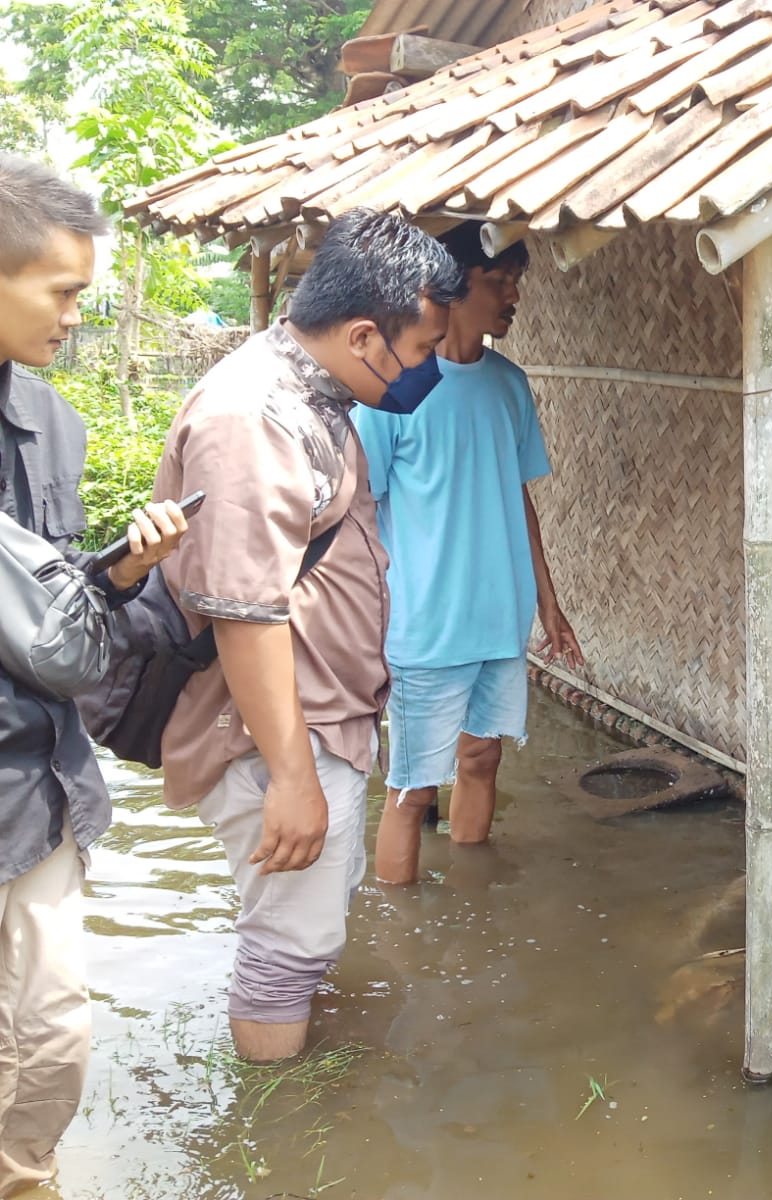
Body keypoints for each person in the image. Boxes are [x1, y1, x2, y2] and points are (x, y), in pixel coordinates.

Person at [152, 209, 465, 1062]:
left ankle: (290, 1082)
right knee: (287, 949)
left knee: (306, 927)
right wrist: (293, 779)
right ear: (365, 334)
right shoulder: (253, 419)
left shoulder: (313, 395)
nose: (431, 367)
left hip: (322, 719)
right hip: (277, 734)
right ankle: (279, 1135)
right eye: (425, 346)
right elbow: (246, 615)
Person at [0, 154, 188, 1196]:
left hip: (38, 779)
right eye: (62, 292)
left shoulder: (52, 424)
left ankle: (26, 1179)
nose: (75, 314)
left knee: (51, 1027)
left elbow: (55, 601)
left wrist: (123, 567)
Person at [353, 220, 583, 887]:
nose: (513, 295)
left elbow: (518, 498)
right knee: (414, 787)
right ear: (449, 288)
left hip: (499, 615)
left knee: (482, 759)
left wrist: (549, 602)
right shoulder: (392, 394)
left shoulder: (509, 386)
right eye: (498, 281)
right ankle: (403, 931)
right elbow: (361, 514)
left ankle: (475, 904)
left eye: (517, 281)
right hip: (425, 625)